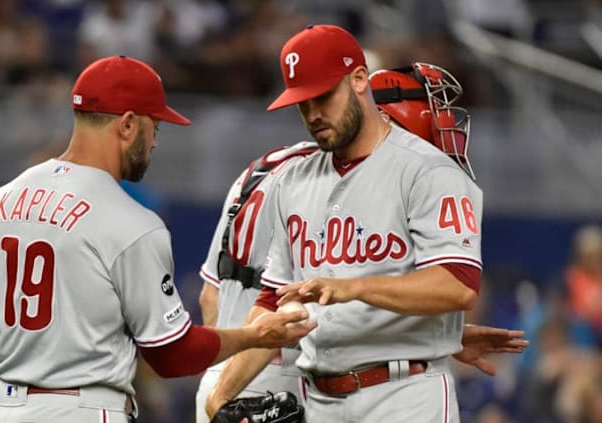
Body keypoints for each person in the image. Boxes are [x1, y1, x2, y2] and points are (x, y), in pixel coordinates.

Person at [0, 55, 316, 423]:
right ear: (127, 125)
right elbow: (172, 354)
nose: (154, 142)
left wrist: (16, 405)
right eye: (155, 126)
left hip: (4, 409)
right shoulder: (131, 222)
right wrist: (254, 335)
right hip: (85, 410)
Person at [196, 61, 527, 422]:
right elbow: (340, 287)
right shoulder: (363, 177)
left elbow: (211, 296)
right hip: (292, 376)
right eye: (431, 112)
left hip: (239, 372)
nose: (441, 124)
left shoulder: (267, 169)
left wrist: (442, 335)